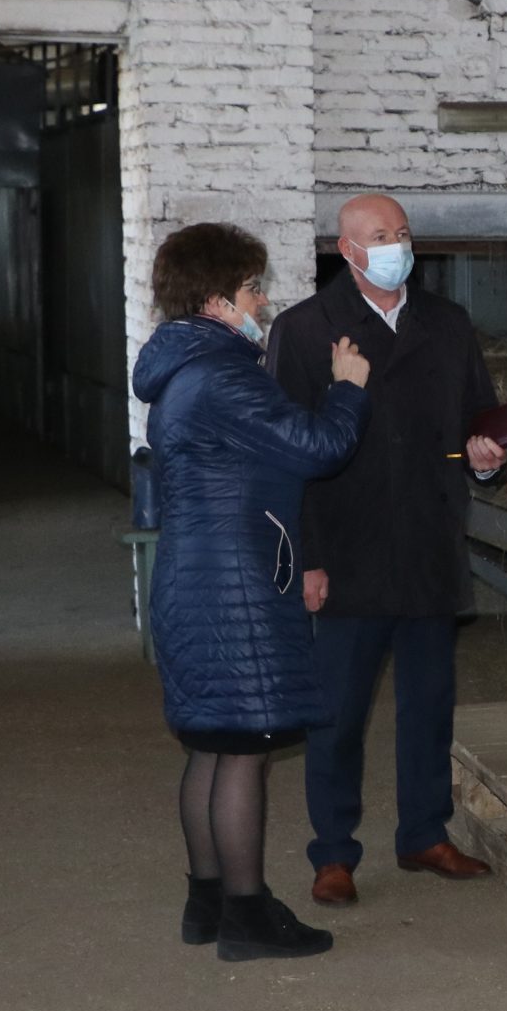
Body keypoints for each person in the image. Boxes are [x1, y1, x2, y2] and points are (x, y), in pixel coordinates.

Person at [131, 222, 371, 961]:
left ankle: (206, 902)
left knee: (210, 742)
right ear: (215, 298)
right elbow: (317, 448)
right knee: (245, 750)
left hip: (192, 577)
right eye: (252, 287)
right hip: (235, 581)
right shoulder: (225, 375)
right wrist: (347, 391)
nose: (262, 300)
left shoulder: (178, 374)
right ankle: (247, 914)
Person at [266, 194, 507, 906]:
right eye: (379, 235)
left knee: (430, 701)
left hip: (429, 540)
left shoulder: (449, 325)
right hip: (346, 547)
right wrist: (305, 558)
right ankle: (334, 852)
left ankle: (424, 834)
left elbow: (477, 425)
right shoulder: (306, 331)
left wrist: (489, 458)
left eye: (402, 233)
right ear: (346, 249)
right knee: (337, 710)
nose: (395, 244)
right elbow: (285, 459)